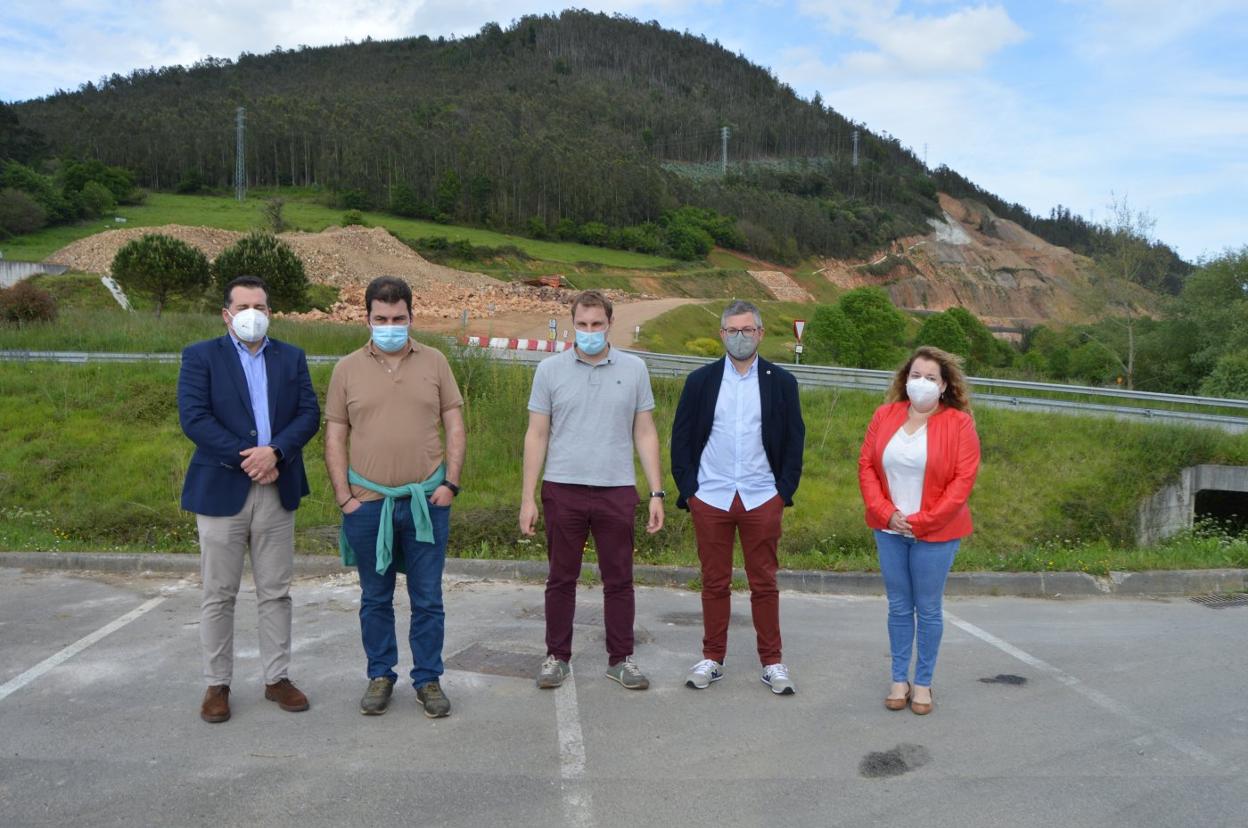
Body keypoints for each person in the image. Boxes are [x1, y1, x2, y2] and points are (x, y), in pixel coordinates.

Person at [178, 275, 321, 724]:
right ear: (227, 314)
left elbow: (308, 413)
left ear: (270, 312)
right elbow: (195, 418)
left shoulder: (291, 358)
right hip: (223, 489)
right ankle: (217, 684)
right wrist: (251, 459)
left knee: (275, 592)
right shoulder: (201, 356)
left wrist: (275, 452)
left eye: (259, 305)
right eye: (243, 306)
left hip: (277, 489)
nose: (251, 314)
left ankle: (277, 678)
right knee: (218, 594)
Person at [324, 276, 466, 718]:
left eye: (398, 318)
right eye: (381, 318)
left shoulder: (436, 361)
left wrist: (450, 484)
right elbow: (335, 435)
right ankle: (380, 674)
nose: (390, 325)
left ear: (411, 317)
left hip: (427, 501)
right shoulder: (346, 369)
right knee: (375, 597)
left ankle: (428, 679)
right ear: (366, 318)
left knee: (428, 598)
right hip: (368, 504)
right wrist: (345, 497)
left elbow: (455, 426)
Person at [519, 290, 665, 691]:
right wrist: (527, 497)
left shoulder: (634, 369)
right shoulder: (549, 371)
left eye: (596, 325)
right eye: (581, 325)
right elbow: (537, 434)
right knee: (560, 578)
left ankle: (622, 659)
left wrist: (656, 491)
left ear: (609, 324)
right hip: (562, 488)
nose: (589, 332)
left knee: (619, 579)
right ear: (572, 324)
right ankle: (556, 657)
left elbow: (645, 431)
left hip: (616, 489)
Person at [670, 300, 805, 695]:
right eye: (733, 330)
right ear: (722, 334)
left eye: (748, 330)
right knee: (714, 582)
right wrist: (689, 491)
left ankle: (773, 662)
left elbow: (794, 442)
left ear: (761, 333)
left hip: (762, 497)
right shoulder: (701, 382)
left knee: (764, 583)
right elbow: (681, 439)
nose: (740, 337)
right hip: (710, 497)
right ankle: (712, 658)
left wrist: (783, 493)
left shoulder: (781, 383)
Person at [857, 345, 980, 715]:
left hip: (936, 532)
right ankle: (899, 679)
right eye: (915, 376)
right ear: (904, 380)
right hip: (889, 528)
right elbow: (866, 467)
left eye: (930, 378)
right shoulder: (884, 415)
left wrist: (922, 521)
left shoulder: (959, 423)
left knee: (927, 609)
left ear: (944, 386)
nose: (921, 383)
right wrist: (886, 512)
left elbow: (963, 480)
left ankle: (923, 682)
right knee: (898, 606)